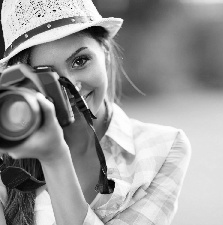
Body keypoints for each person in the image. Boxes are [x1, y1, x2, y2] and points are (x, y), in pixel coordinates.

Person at [0, 0, 191, 225]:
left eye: (80, 61)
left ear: (106, 54)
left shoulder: (164, 147)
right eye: (46, 76)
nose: (71, 86)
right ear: (24, 83)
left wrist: (55, 158)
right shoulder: (5, 156)